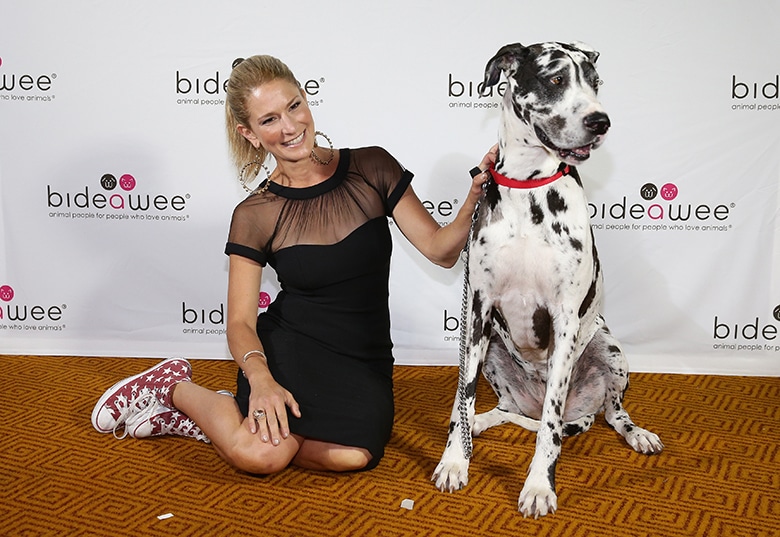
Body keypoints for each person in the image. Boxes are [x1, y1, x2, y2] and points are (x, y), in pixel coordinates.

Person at [92, 54, 496, 474]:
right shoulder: (255, 213)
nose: (289, 127)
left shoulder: (371, 166)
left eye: (293, 107)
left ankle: (228, 420)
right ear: (248, 134)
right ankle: (175, 387)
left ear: (306, 99)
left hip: (362, 353)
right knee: (264, 456)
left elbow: (440, 250)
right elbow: (240, 324)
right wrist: (262, 379)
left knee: (353, 457)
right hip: (290, 348)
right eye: (268, 120)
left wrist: (471, 200)